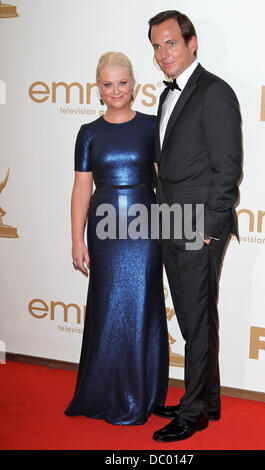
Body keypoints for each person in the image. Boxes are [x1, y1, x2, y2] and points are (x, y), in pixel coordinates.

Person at [148, 11, 242, 441]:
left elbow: (228, 170)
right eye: (156, 45)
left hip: (198, 225)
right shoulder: (166, 96)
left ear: (192, 43)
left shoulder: (215, 92)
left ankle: (194, 413)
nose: (162, 53)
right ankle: (208, 398)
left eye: (170, 43)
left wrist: (210, 226)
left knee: (197, 319)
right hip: (171, 220)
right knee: (193, 319)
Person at [64, 52, 169, 425]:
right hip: (105, 229)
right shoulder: (89, 132)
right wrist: (77, 240)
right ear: (98, 88)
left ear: (133, 84)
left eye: (122, 82)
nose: (116, 90)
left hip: (145, 225)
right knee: (108, 305)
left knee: (143, 303)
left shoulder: (152, 126)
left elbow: (166, 179)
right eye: (107, 84)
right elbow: (81, 190)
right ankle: (104, 391)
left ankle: (145, 393)